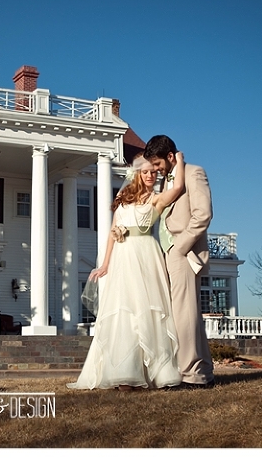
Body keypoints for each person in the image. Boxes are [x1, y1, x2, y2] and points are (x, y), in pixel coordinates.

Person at [67, 152, 186, 391]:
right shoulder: (123, 197)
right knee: (123, 311)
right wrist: (105, 265)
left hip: (145, 254)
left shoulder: (156, 199)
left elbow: (179, 188)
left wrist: (179, 162)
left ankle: (158, 371)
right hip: (123, 256)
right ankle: (122, 372)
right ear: (137, 174)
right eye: (146, 172)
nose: (151, 175)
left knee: (147, 309)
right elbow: (113, 230)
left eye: (154, 172)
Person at [144, 134, 215, 389]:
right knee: (185, 314)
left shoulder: (194, 173)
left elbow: (203, 214)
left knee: (185, 315)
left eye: (158, 165)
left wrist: (181, 246)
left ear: (171, 156)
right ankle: (202, 372)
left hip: (182, 251)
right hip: (167, 252)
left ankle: (191, 375)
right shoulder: (168, 182)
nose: (156, 171)